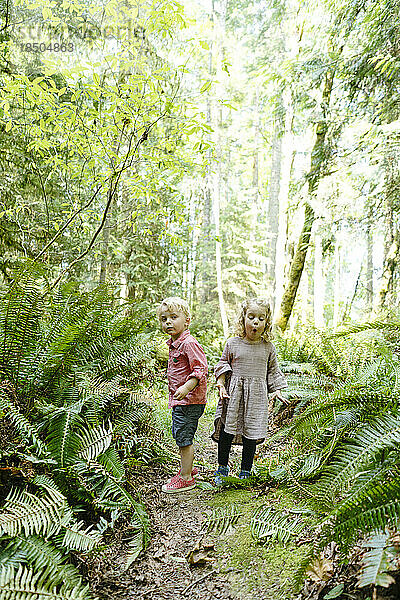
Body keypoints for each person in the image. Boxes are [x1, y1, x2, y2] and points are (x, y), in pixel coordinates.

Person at [213, 298, 288, 482]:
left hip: (256, 397)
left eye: (261, 319)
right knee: (227, 431)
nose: (256, 322)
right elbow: (223, 364)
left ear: (266, 323)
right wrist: (221, 385)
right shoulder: (233, 344)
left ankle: (245, 470)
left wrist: (277, 390)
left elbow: (272, 371)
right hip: (233, 395)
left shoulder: (268, 348)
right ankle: (222, 468)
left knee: (251, 434)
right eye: (251, 317)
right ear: (243, 319)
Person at [157, 297, 208, 493]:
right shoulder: (175, 343)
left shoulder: (189, 343)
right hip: (181, 401)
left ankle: (186, 477)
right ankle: (187, 468)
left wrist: (187, 387)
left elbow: (200, 369)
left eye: (173, 317)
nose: (168, 322)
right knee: (180, 433)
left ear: (187, 320)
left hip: (189, 401)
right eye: (164, 319)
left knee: (183, 436)